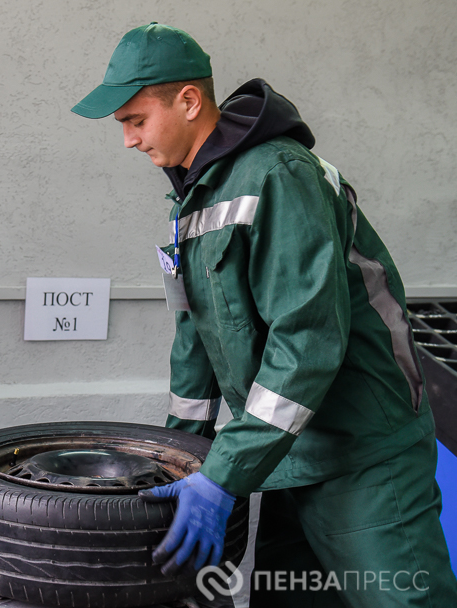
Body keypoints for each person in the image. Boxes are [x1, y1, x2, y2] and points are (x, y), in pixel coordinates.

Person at [72, 22, 457, 607]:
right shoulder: (193, 201)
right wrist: (179, 462)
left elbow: (307, 342)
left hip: (363, 460)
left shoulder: (279, 175)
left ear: (189, 101)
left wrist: (223, 476)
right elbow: (195, 341)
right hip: (284, 458)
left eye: (136, 120)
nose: (128, 139)